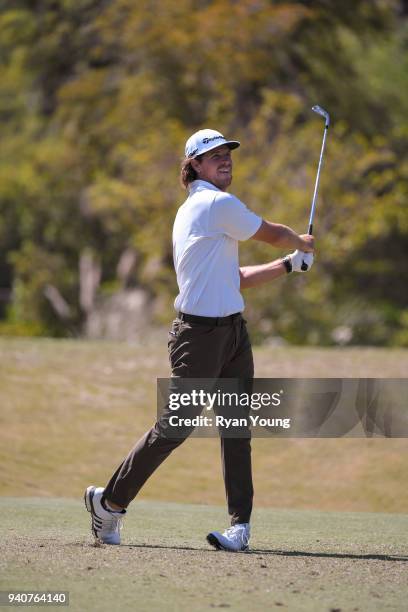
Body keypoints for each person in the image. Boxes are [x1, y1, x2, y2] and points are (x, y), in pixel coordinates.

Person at [85, 128, 314, 552]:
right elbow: (271, 231)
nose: (224, 159)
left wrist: (287, 265)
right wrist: (300, 242)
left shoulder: (209, 212)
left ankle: (239, 527)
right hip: (198, 336)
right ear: (194, 166)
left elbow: (236, 279)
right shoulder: (213, 203)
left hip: (232, 335)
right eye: (213, 156)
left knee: (236, 429)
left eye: (227, 153)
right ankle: (109, 503)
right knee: (174, 427)